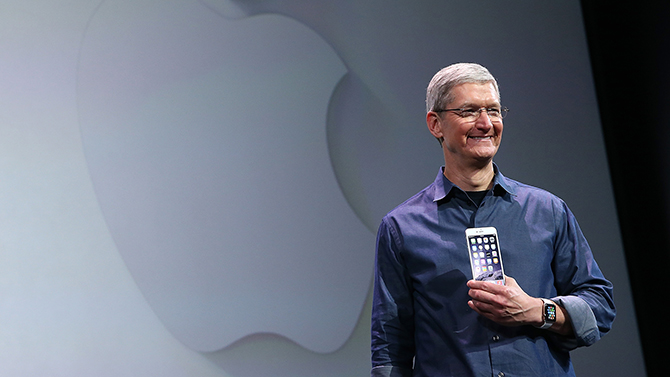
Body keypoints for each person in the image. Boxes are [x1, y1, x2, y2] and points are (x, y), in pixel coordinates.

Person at [370, 63, 616, 377]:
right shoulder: (402, 228)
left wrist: (538, 310)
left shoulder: (547, 210)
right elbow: (390, 347)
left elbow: (600, 306)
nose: (486, 123)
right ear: (436, 124)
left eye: (494, 110)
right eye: (469, 111)